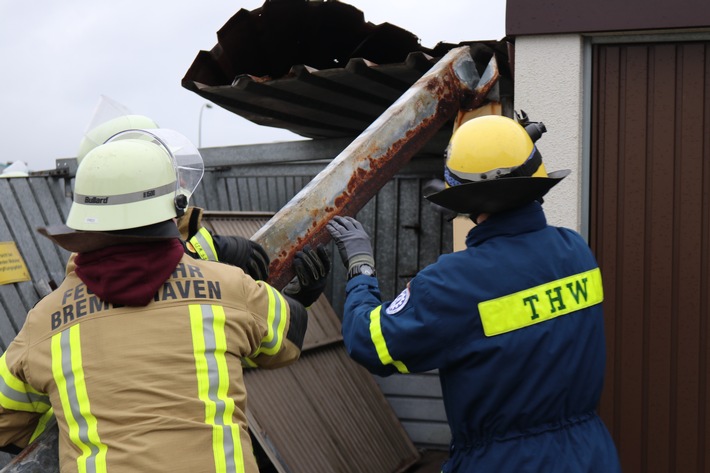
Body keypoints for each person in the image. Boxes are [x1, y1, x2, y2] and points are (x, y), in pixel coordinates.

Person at [0, 128, 328, 472]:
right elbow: (287, 340)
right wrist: (301, 296)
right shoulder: (232, 289)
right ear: (175, 209)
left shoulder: (45, 322)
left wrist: (74, 416)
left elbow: (5, 421)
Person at [326, 114, 621, 472]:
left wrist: (360, 268)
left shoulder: (453, 282)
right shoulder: (576, 251)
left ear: (464, 200)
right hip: (590, 455)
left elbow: (370, 342)